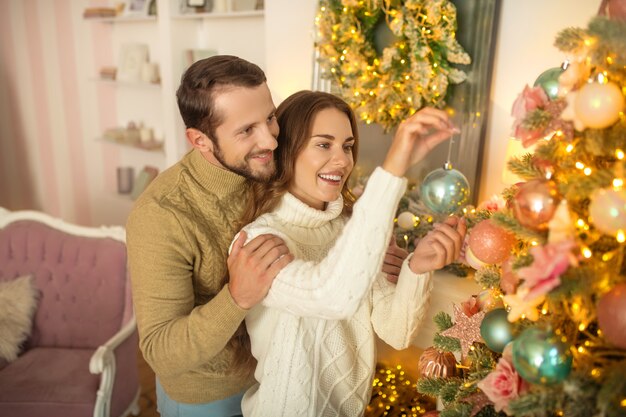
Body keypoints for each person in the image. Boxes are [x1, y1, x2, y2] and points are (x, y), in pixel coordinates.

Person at [229, 90, 467, 416]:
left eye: (347, 146)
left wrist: (418, 268)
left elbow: (397, 332)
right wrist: (392, 170)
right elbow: (330, 294)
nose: (342, 161)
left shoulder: (355, 230)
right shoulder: (260, 238)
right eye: (324, 144)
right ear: (287, 151)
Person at [126, 55, 295, 417]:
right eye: (246, 130)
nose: (270, 139)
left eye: (270, 117)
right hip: (212, 398)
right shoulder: (160, 215)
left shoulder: (272, 163)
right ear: (200, 140)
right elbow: (160, 349)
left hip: (285, 375)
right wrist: (237, 297)